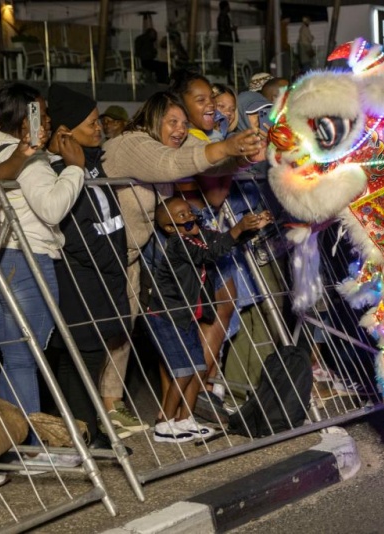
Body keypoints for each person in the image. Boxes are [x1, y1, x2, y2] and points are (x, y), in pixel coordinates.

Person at [99, 92, 264, 434]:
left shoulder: (173, 140)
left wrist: (243, 156)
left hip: (136, 251)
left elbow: (205, 161)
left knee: (126, 330)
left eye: (183, 124)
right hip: (106, 253)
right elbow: (170, 165)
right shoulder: (133, 143)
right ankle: (104, 411)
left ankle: (155, 413)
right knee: (110, 331)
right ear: (153, 118)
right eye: (172, 122)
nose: (179, 130)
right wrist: (228, 146)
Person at [0, 83, 85, 465]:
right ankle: (32, 446)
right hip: (28, 258)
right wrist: (76, 169)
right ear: (21, 117)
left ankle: (8, 441)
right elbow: (52, 207)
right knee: (28, 357)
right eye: (39, 111)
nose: (46, 119)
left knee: (14, 358)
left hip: (2, 258)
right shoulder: (22, 156)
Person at [46, 84, 137, 446]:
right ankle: (89, 434)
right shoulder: (61, 173)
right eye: (92, 123)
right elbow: (76, 232)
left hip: (107, 276)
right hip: (83, 280)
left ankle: (85, 431)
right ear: (66, 132)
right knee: (80, 358)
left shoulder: (94, 165)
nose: (99, 129)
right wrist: (113, 262)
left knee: (90, 357)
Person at [147, 197, 272, 442]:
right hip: (167, 316)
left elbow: (223, 244)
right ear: (169, 228)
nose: (189, 216)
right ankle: (165, 424)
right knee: (183, 371)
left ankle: (185, 419)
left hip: (187, 317)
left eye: (189, 211)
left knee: (198, 368)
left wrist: (251, 228)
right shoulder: (178, 245)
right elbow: (211, 252)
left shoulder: (200, 236)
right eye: (181, 216)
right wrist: (236, 229)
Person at [217, 1, 237, 74]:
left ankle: (226, 77)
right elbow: (222, 29)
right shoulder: (223, 16)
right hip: (225, 42)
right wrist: (231, 29)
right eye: (228, 6)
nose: (229, 8)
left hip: (225, 41)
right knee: (226, 60)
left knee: (227, 61)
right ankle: (225, 77)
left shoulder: (224, 16)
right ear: (225, 7)